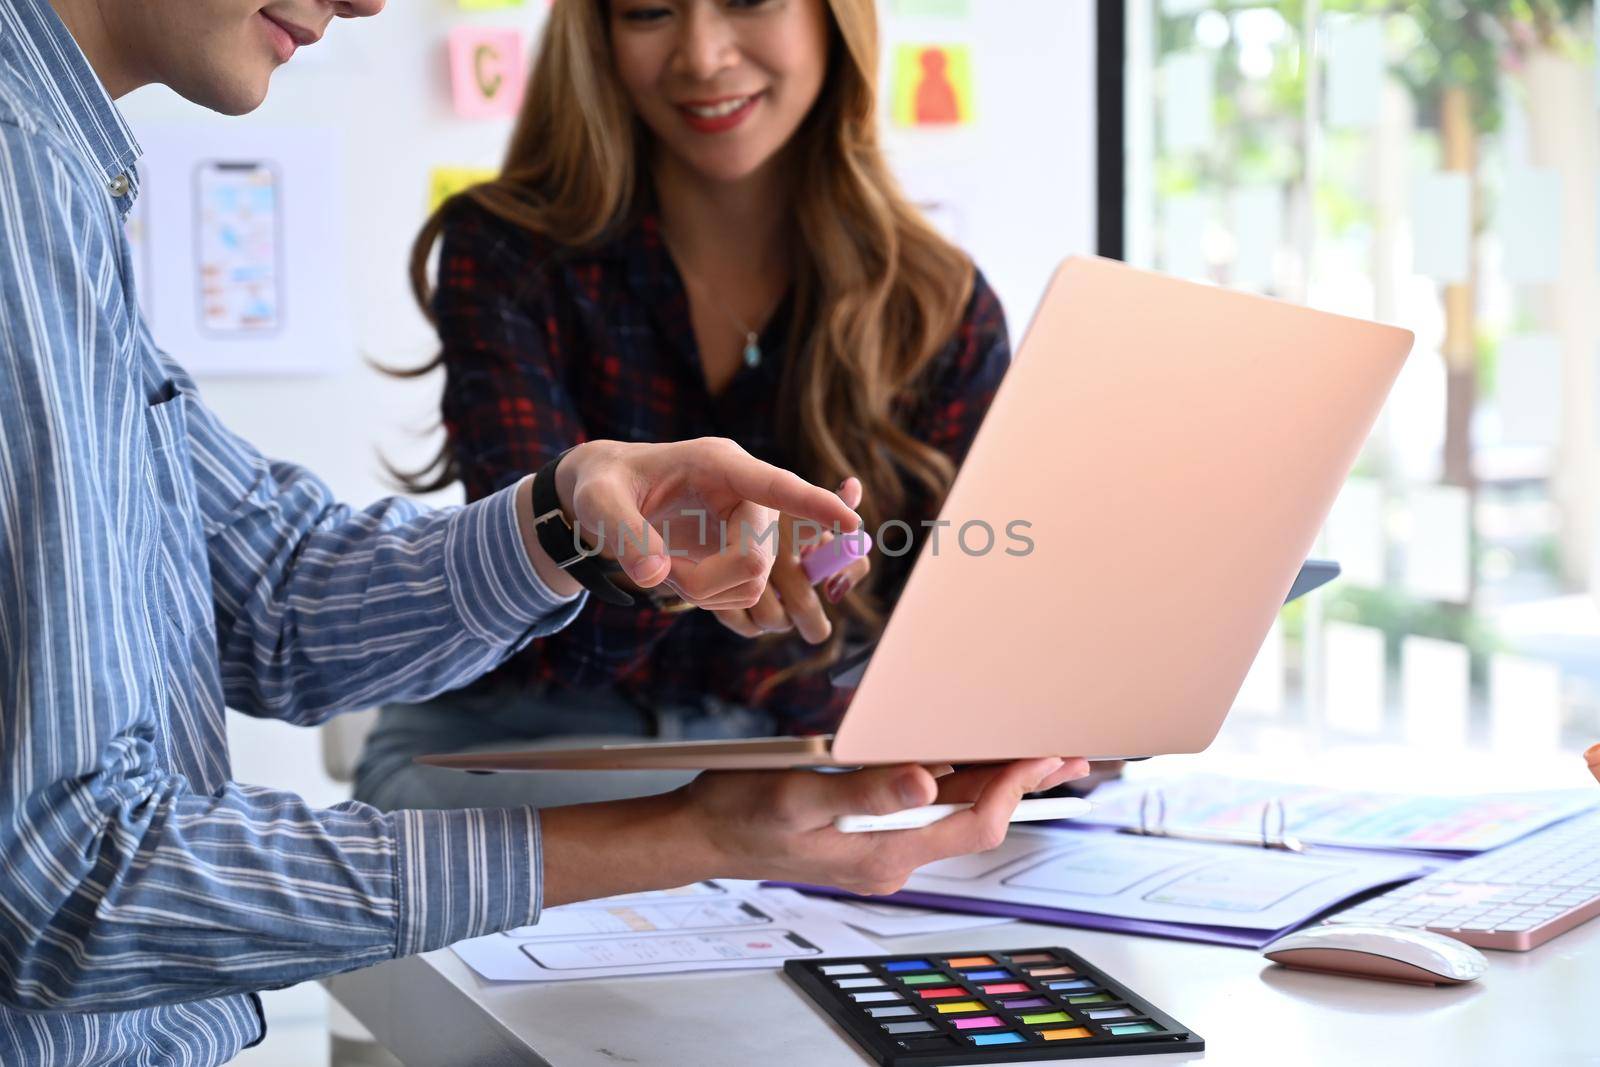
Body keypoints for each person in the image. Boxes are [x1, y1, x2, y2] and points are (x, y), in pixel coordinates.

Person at [0, 1, 1089, 1064]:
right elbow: (72, 879)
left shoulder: (61, 182)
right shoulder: (23, 189)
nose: (370, 0)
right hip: (554, 753)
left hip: (776, 772)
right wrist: (692, 792)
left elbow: (277, 596)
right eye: (650, 11)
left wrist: (563, 527)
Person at [357, 0, 1018, 813]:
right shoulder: (504, 253)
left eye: (747, 1)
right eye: (648, 12)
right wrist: (678, 559)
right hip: (528, 744)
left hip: (791, 759)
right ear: (597, 34)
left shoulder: (940, 306)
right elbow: (561, 628)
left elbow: (960, 653)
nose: (701, 57)